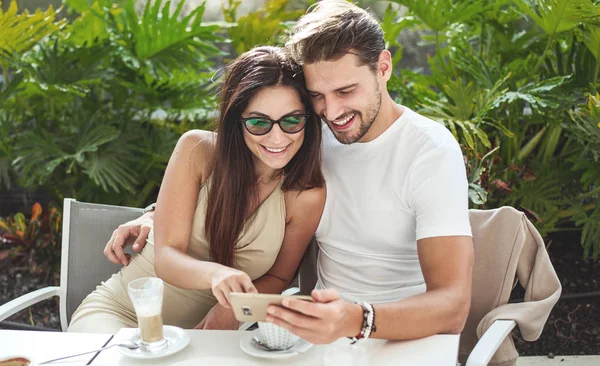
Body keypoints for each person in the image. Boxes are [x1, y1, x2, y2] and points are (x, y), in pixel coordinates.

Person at [108, 0, 474, 342]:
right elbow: (238, 173)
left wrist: (356, 320)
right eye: (317, 96)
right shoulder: (308, 138)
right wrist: (156, 217)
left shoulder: (430, 152)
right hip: (318, 338)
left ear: (384, 67)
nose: (332, 112)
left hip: (401, 337)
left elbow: (453, 306)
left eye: (346, 91)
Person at [68, 46, 326, 333]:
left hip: (206, 336)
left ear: (308, 120)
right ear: (236, 121)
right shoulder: (198, 150)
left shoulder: (306, 195)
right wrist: (216, 275)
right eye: (258, 122)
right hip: (121, 314)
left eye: (292, 120)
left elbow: (279, 276)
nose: (277, 137)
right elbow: (166, 258)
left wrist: (233, 308)